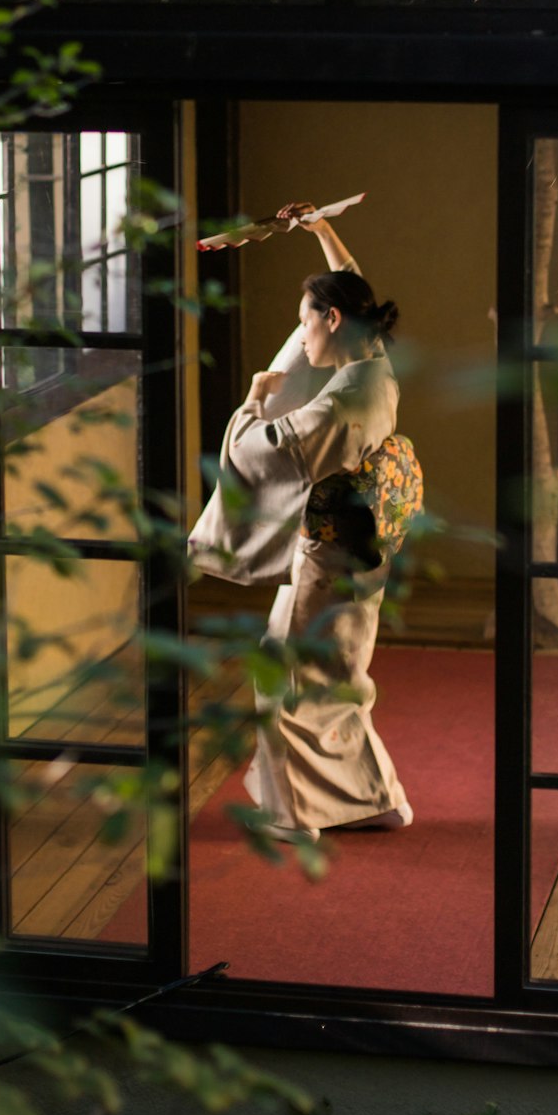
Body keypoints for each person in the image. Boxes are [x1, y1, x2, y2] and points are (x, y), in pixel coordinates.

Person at [189, 203, 421, 842]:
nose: (303, 336)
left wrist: (256, 399)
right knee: (341, 677)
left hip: (327, 556)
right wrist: (322, 232)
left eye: (306, 323)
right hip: (364, 550)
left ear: (334, 319)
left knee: (287, 677)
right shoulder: (375, 365)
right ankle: (378, 797)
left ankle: (295, 817)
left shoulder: (344, 402)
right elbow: (354, 284)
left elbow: (249, 453)